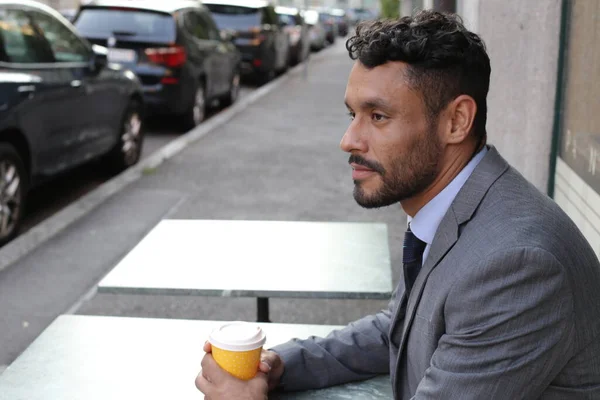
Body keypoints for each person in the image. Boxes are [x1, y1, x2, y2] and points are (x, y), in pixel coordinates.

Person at [196, 10, 600, 399]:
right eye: (353, 113)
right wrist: (279, 365)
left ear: (456, 121)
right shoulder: (453, 205)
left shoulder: (518, 266)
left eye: (378, 116)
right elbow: (401, 327)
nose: (349, 140)